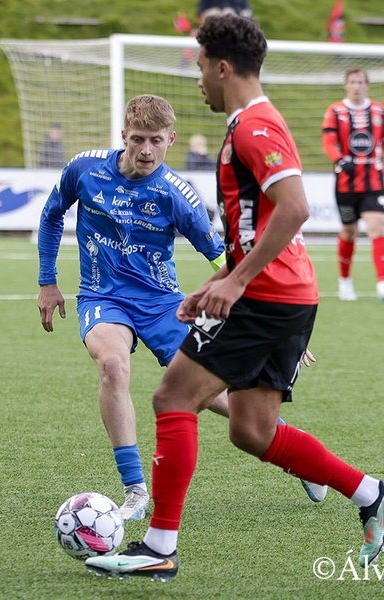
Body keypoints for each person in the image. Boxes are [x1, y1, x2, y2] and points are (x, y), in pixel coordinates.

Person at [85, 15, 384, 581]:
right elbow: (257, 224)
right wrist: (221, 280)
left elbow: (295, 208)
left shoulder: (255, 127)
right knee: (251, 430)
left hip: (267, 296)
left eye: (200, 68)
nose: (198, 80)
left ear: (222, 67)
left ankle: (159, 547)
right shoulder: (251, 122)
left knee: (173, 397)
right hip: (285, 294)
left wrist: (236, 282)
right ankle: (373, 494)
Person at [38, 94, 325, 522]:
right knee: (112, 366)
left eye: (156, 140)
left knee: (217, 398)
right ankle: (135, 491)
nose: (146, 150)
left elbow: (224, 257)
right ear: (123, 135)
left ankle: (297, 455)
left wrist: (278, 321)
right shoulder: (85, 169)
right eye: (138, 139)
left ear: (170, 139)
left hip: (162, 305)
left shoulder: (177, 194)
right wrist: (47, 281)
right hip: (102, 296)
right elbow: (51, 215)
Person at [321, 69, 384, 302]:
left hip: (373, 182)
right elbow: (328, 143)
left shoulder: (380, 111)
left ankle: (383, 285)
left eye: (360, 82)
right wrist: (339, 159)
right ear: (345, 85)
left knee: (377, 227)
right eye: (352, 82)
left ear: (367, 85)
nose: (356, 86)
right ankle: (345, 281)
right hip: (345, 184)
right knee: (349, 231)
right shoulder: (335, 111)